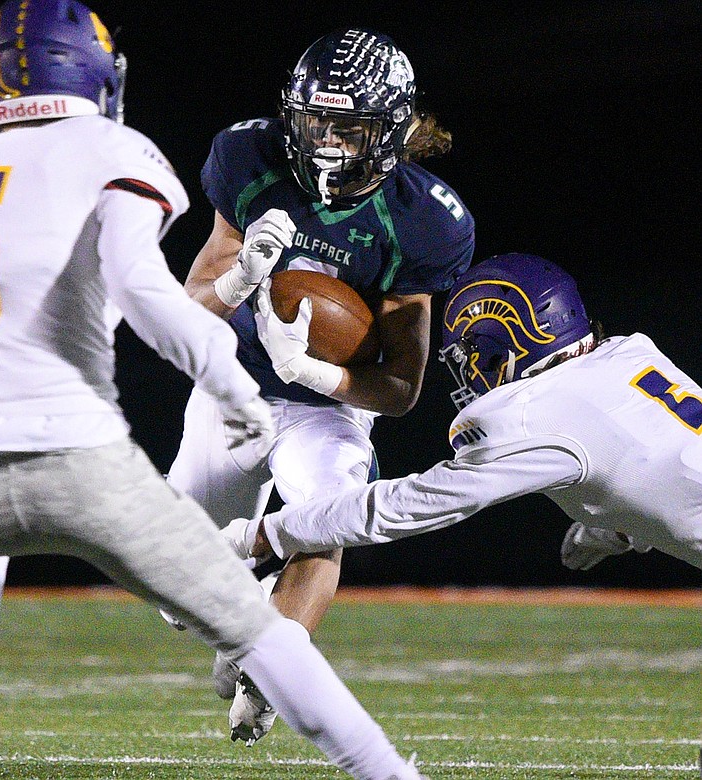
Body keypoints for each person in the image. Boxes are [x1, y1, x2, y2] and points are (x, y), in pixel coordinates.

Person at [0, 3, 427, 779]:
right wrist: (230, 380)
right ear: (96, 73)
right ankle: (391, 773)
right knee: (253, 635)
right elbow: (145, 293)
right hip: (81, 458)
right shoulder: (119, 150)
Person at [164, 27, 476, 742]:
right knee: (171, 587)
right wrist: (241, 277)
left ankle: (275, 666)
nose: (328, 142)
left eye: (350, 127)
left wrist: (311, 370)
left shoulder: (425, 220)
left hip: (327, 410)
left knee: (326, 520)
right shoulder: (249, 157)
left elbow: (399, 387)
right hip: (230, 391)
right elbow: (190, 310)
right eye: (315, 122)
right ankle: (240, 613)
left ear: (391, 127)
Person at [220, 252, 702, 574]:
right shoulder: (628, 355)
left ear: (501, 344)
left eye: (470, 355)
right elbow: (656, 450)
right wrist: (619, 524)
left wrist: (264, 532)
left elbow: (404, 506)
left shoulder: (534, 412)